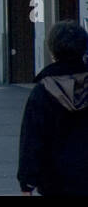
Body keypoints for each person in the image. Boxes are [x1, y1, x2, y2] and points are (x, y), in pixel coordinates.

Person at [17, 20, 88, 196]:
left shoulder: (43, 91)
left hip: (55, 180)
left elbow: (32, 139)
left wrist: (27, 183)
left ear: (52, 51)